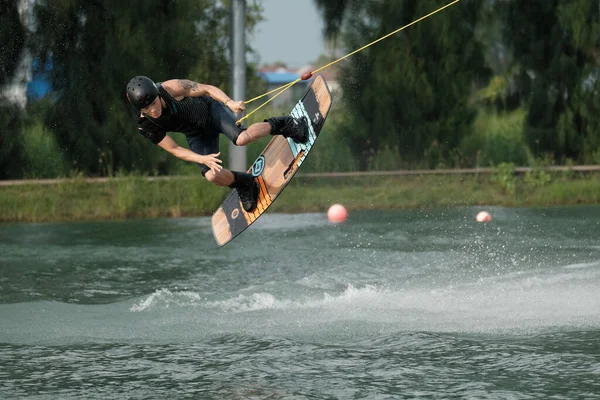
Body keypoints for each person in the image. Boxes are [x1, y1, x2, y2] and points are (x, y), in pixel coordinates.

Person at [125, 75, 309, 212]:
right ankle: (245, 183)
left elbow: (206, 88)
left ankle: (286, 124)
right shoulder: (146, 126)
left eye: (154, 103)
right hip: (197, 135)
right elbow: (175, 149)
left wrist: (229, 102)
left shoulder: (171, 88)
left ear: (157, 94)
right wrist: (202, 158)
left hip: (211, 111)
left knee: (241, 139)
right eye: (146, 108)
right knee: (212, 176)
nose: (153, 109)